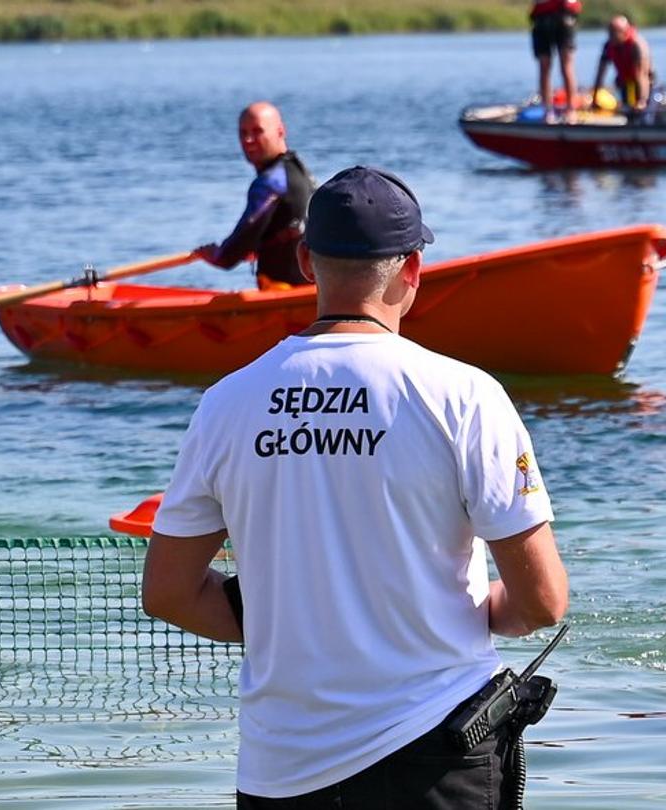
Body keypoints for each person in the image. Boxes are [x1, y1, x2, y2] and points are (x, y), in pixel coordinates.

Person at [142, 165, 570, 807]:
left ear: (306, 261)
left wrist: (294, 624)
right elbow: (541, 602)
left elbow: (168, 592)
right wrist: (473, 614)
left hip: (283, 765)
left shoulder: (226, 405)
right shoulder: (465, 397)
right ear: (414, 268)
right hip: (435, 750)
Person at [197, 102, 316, 290]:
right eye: (243, 133)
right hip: (313, 288)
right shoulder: (300, 171)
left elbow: (233, 250)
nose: (248, 140)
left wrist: (215, 255)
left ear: (280, 131)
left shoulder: (270, 182)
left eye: (257, 131)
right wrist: (257, 244)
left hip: (283, 293)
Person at [592, 16, 654, 114]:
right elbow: (600, 74)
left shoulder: (637, 45)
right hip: (625, 83)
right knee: (627, 112)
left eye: (613, 32)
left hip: (644, 85)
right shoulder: (608, 46)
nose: (610, 36)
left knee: (643, 112)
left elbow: (643, 75)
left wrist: (642, 101)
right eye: (609, 32)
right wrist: (595, 98)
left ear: (624, 32)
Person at [531, 0, 581, 116]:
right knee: (544, 67)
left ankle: (570, 109)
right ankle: (547, 110)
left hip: (563, 17)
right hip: (542, 19)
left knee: (566, 66)